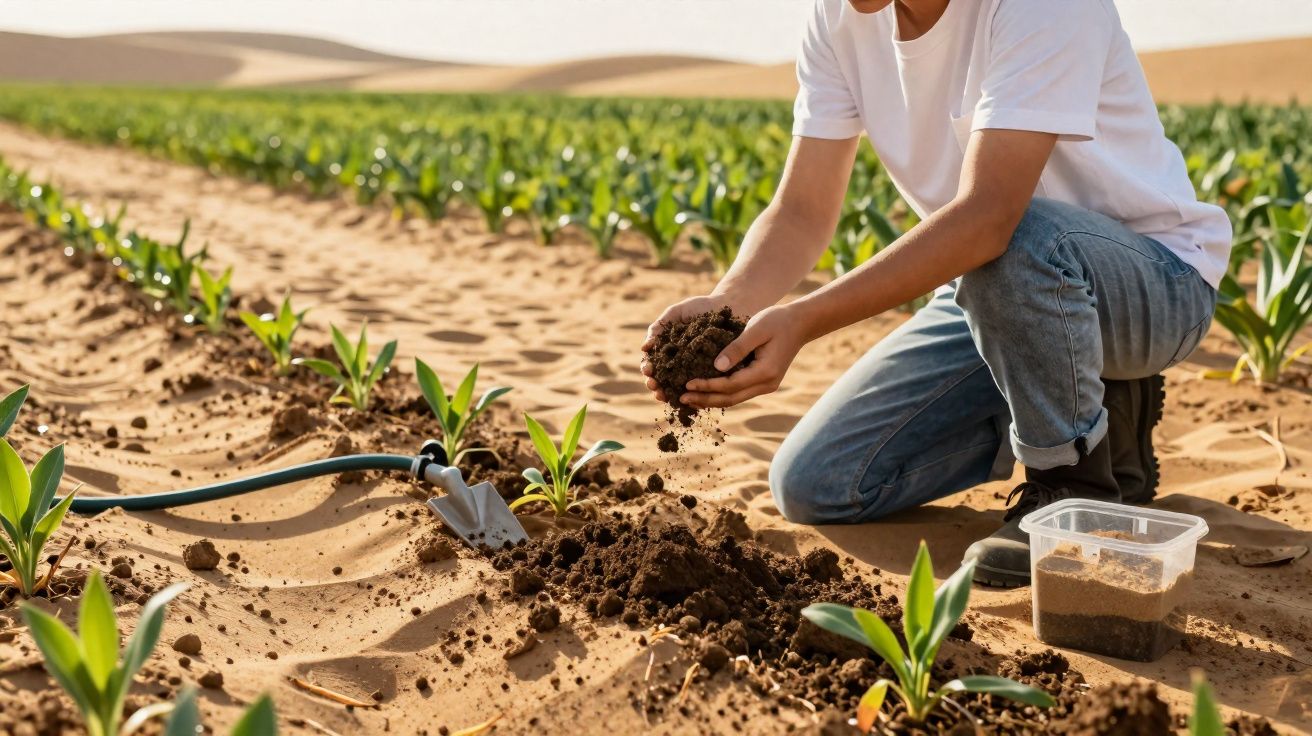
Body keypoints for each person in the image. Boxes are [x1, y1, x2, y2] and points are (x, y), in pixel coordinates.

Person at [639, 0, 1231, 587]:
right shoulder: (841, 16)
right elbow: (801, 210)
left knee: (1017, 238)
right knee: (816, 483)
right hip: (992, 293)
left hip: (1153, 286)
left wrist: (802, 321)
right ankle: (1095, 408)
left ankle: (1070, 486)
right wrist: (727, 310)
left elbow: (988, 218)